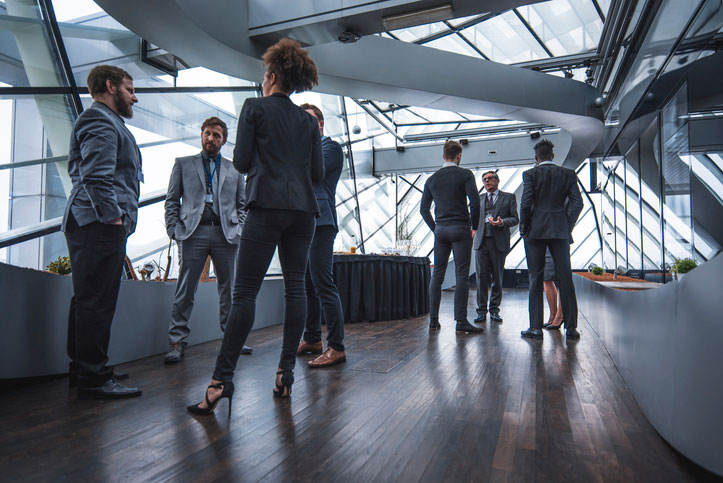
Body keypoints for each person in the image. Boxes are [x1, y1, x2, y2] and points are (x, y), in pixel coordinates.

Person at [187, 38, 323, 415]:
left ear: (272, 75)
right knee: (296, 290)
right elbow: (316, 172)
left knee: (245, 293)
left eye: (265, 76)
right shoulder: (308, 121)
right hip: (303, 213)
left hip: (266, 207)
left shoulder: (254, 108)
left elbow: (243, 163)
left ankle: (220, 382)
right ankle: (285, 375)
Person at [63, 65, 142, 399]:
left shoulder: (103, 121)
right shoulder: (99, 120)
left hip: (91, 221)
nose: (134, 97)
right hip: (97, 223)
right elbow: (96, 177)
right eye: (129, 89)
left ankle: (86, 368)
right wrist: (114, 219)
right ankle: (93, 377)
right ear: (111, 86)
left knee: (89, 298)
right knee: (96, 300)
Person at [164, 116, 250, 364]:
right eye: (207, 134)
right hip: (193, 233)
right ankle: (177, 342)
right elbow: (172, 200)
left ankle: (231, 340)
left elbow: (242, 205)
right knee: (185, 290)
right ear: (202, 135)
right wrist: (173, 229)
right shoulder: (183, 164)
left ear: (223, 141)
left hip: (226, 234)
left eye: (216, 135)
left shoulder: (235, 169)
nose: (210, 138)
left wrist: (240, 229)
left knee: (229, 292)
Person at [296, 103, 347, 368]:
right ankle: (313, 338)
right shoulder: (302, 150)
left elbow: (312, 173)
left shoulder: (330, 147)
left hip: (322, 222)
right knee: (308, 286)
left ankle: (336, 346)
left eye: (309, 120)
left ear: (321, 124)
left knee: (323, 283)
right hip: (302, 221)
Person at [519, 139, 583, 340]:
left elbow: (526, 202)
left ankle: (535, 328)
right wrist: (567, 224)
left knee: (535, 278)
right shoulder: (568, 174)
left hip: (535, 231)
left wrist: (525, 227)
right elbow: (577, 203)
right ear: (553, 156)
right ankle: (571, 328)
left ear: (537, 158)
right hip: (559, 230)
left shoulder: (530, 174)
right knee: (565, 277)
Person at [420, 140, 482, 333]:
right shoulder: (465, 175)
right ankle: (461, 321)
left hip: (441, 230)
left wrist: (436, 228)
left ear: (443, 155)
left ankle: (433, 320)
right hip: (461, 229)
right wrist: (474, 226)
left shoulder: (432, 179)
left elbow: (424, 210)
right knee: (461, 275)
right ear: (459, 156)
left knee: (437, 275)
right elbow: (475, 203)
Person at [473, 171, 518, 323]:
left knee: (497, 278)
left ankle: (494, 310)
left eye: (490, 178)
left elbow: (515, 218)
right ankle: (481, 311)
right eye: (484, 179)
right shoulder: (478, 199)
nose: (487, 181)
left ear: (498, 181)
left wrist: (502, 222)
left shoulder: (509, 197)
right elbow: (470, 218)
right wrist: (472, 229)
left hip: (499, 242)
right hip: (481, 243)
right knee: (480, 278)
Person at [542, 249, 564, 329]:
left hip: (557, 239)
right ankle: (553, 315)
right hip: (543, 241)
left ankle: (560, 316)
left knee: (562, 279)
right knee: (546, 278)